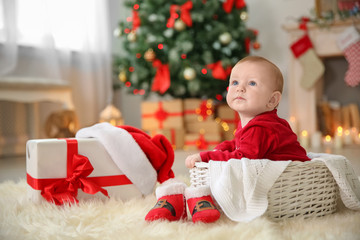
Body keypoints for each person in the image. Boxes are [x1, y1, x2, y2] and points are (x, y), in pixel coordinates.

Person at [145, 56, 310, 224]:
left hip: (287, 182)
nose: (240, 89)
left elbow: (243, 158)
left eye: (252, 83)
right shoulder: (255, 123)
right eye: (235, 82)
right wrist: (223, 147)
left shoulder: (262, 128)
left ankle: (193, 199)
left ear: (272, 100)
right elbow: (240, 144)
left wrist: (207, 156)